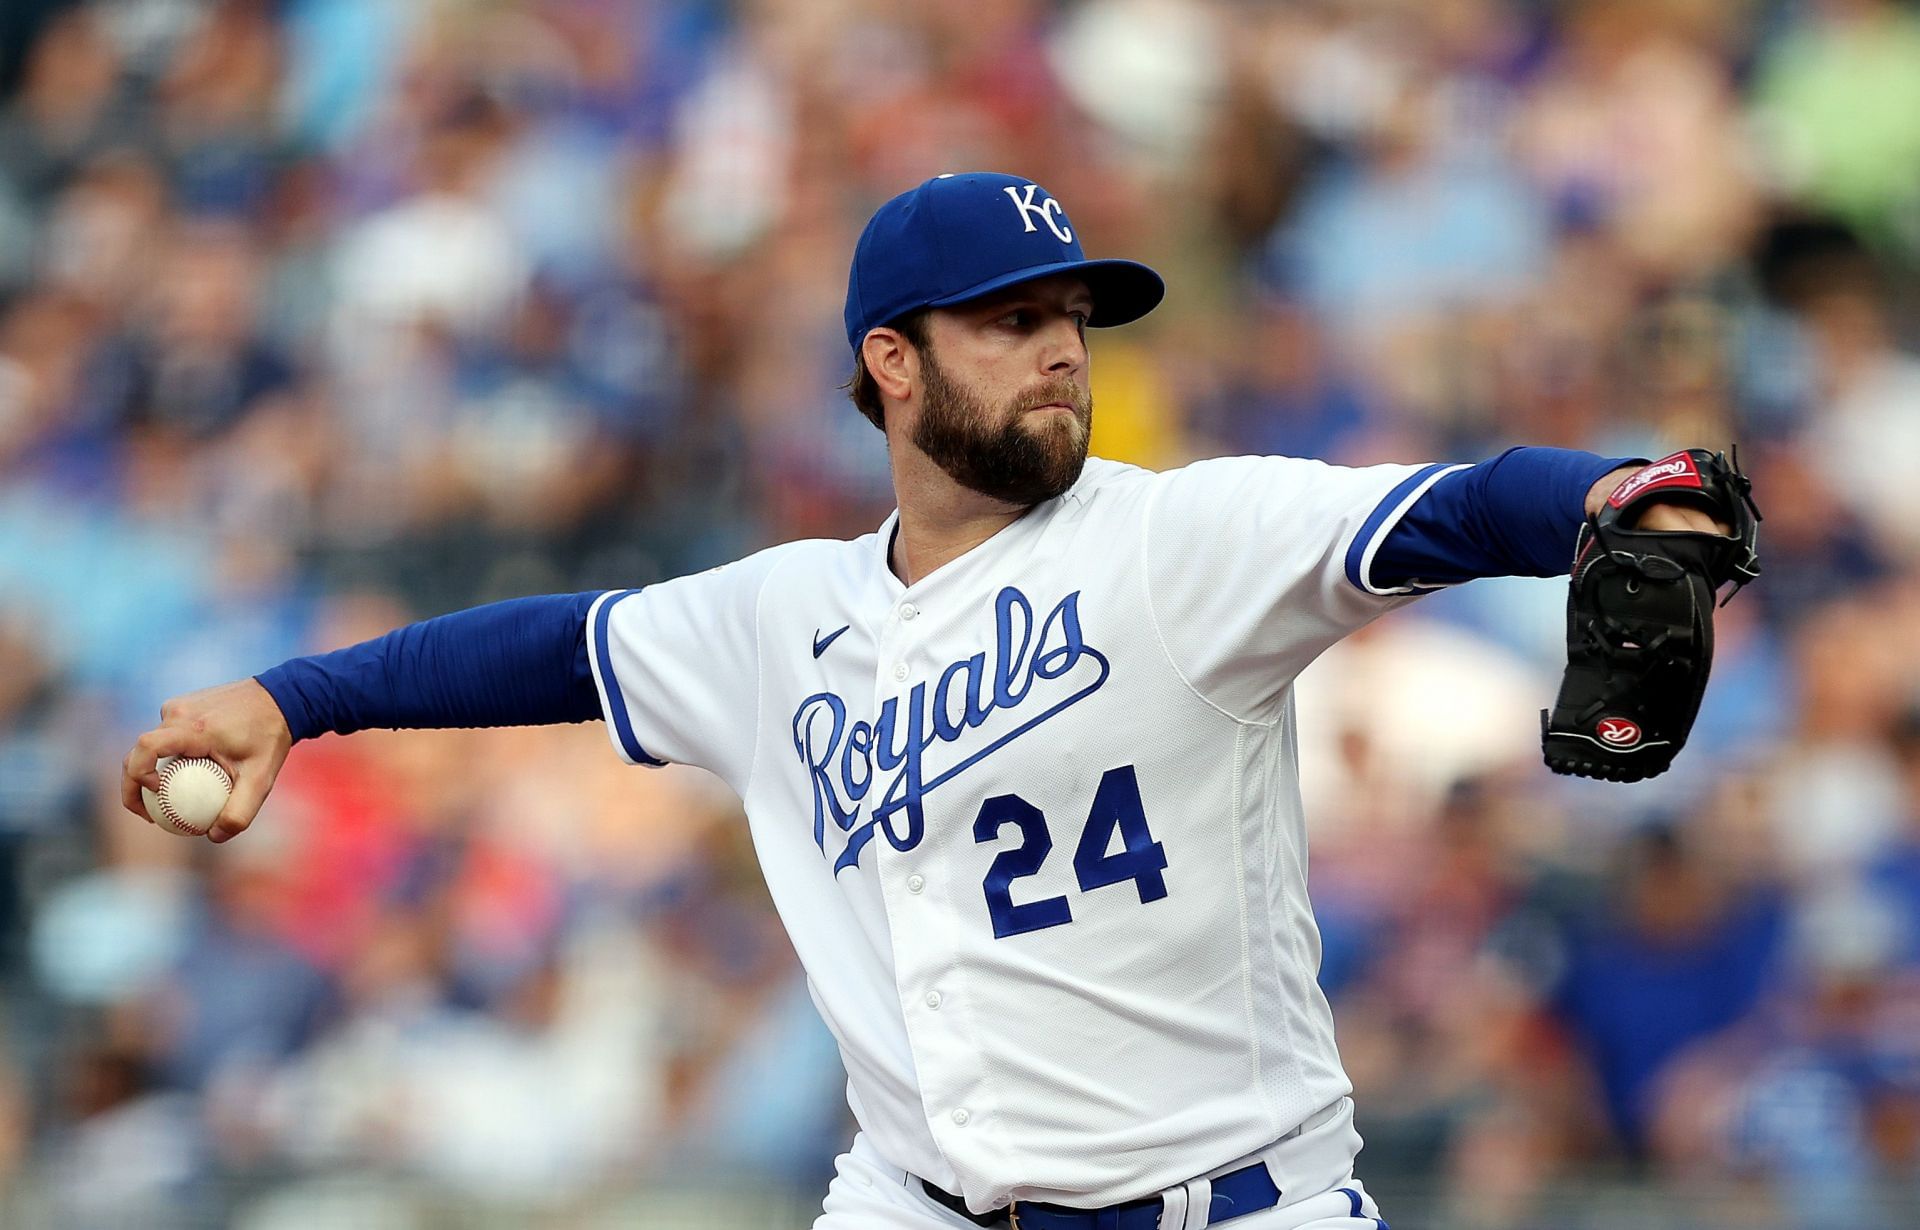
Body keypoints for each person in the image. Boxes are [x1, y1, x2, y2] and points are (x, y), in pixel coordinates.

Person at [122, 172, 1736, 1229]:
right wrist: (291, 697)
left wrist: (1625, 492)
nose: (1059, 352)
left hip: (1236, 1203)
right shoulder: (783, 616)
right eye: (1010, 320)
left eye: (1071, 320)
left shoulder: (1179, 540)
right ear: (892, 361)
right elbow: (557, 645)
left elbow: (1448, 508)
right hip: (912, 1198)